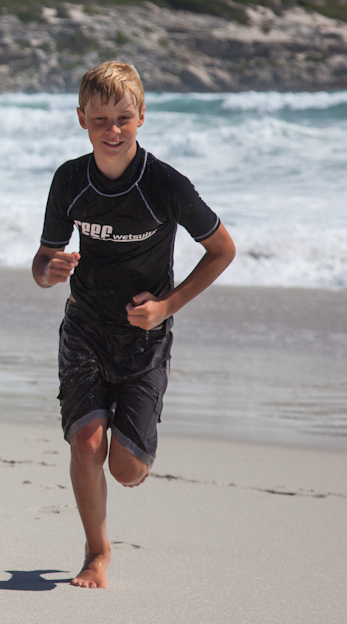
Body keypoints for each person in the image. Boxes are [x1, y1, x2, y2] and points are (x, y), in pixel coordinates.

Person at [32, 61, 236, 589]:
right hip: (84, 330)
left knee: (124, 469)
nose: (113, 130)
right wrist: (48, 271)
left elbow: (222, 250)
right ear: (81, 119)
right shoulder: (70, 181)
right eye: (100, 120)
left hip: (145, 338)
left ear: (142, 116)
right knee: (85, 445)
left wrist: (168, 305)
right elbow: (43, 260)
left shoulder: (166, 184)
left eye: (123, 117)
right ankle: (96, 555)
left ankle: (137, 444)